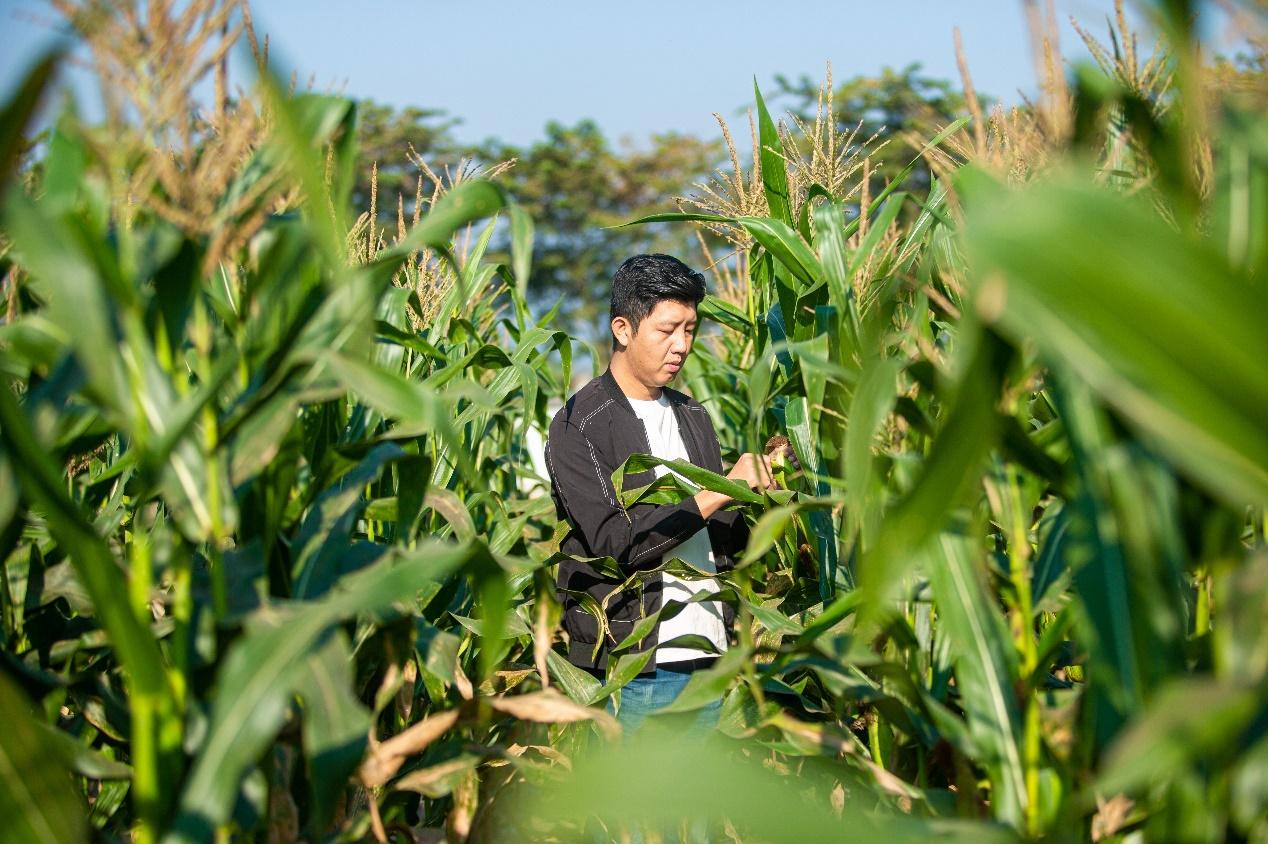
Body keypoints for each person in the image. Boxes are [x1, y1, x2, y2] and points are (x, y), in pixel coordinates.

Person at [545, 254, 788, 736]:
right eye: (667, 330)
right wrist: (722, 489)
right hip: (636, 666)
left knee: (697, 811)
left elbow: (718, 538)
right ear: (623, 329)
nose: (682, 346)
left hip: (708, 654)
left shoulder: (692, 414)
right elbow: (617, 543)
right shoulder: (579, 424)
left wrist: (769, 498)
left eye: (691, 330)